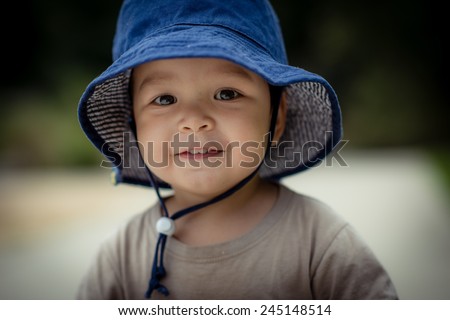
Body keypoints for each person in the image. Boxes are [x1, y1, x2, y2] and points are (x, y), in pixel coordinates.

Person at [76, 0, 398, 299]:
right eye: (164, 99)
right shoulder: (121, 258)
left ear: (277, 117)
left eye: (227, 94)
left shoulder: (323, 245)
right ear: (134, 124)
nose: (194, 121)